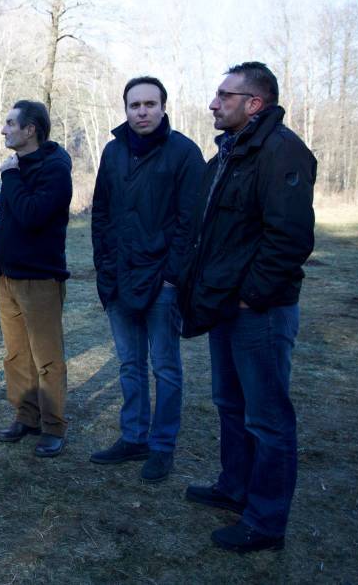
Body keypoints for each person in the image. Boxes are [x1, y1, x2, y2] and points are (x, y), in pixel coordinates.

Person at [180, 62, 316, 553]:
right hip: (227, 306)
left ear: (253, 103)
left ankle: (266, 522)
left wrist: (250, 296)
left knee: (268, 417)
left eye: (224, 95)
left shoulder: (282, 152)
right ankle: (234, 488)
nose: (213, 103)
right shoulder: (228, 154)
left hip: (260, 310)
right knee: (230, 404)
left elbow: (291, 238)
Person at [89, 77, 205, 482]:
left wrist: (173, 278)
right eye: (135, 104)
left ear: (163, 107)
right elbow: (100, 213)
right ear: (125, 109)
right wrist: (104, 269)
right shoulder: (113, 151)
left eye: (150, 104)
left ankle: (162, 446)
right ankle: (134, 437)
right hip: (119, 279)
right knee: (129, 364)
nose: (142, 111)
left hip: (162, 282)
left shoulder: (185, 153)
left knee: (165, 367)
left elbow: (192, 224)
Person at [0, 100, 73, 458]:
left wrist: (10, 176)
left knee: (47, 359)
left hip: (40, 279)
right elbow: (5, 225)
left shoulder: (55, 168)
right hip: (8, 279)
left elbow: (32, 216)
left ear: (30, 129)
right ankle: (26, 417)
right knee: (16, 355)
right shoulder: (16, 166)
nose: (4, 129)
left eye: (10, 123)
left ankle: (53, 427)